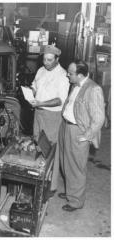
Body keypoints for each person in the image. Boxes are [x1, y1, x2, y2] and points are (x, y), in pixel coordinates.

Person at [58, 60, 105, 212]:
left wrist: (87, 135)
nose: (67, 75)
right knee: (66, 163)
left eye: (70, 73)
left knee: (76, 167)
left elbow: (99, 118)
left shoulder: (94, 89)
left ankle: (76, 201)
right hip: (66, 126)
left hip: (78, 131)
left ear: (79, 75)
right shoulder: (75, 84)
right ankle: (71, 192)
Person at [29, 45, 70, 197]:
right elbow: (35, 86)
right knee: (37, 143)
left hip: (52, 116)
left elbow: (60, 100)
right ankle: (36, 178)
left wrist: (41, 103)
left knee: (50, 149)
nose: (46, 62)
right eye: (44, 59)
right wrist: (31, 93)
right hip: (38, 113)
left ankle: (50, 186)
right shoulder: (41, 70)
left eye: (49, 60)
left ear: (57, 59)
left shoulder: (63, 76)